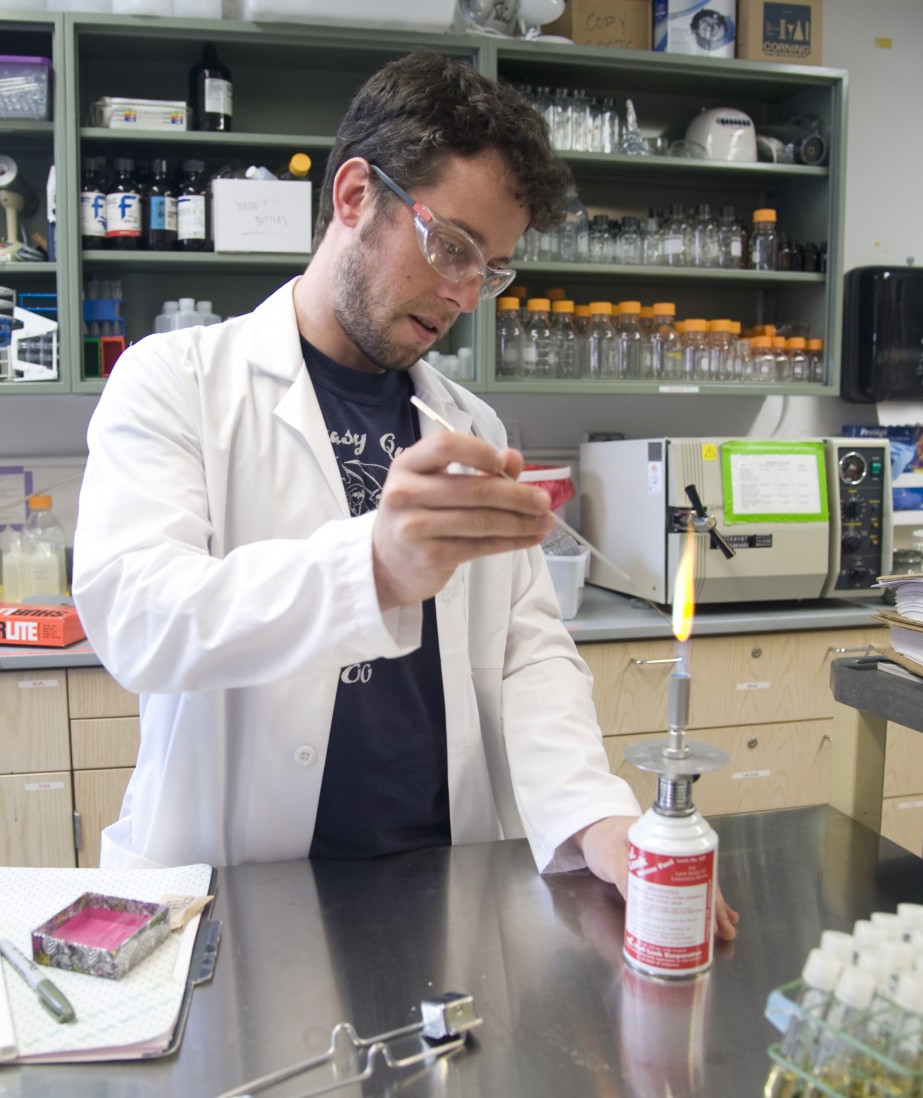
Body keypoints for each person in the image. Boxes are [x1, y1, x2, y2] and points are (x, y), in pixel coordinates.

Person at [73, 51, 737, 940]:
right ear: (355, 196)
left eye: (492, 268)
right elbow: (135, 615)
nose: (466, 293)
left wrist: (594, 814)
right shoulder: (178, 380)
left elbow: (527, 651)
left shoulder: (469, 423)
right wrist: (374, 567)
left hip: (445, 882)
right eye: (452, 246)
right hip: (242, 892)